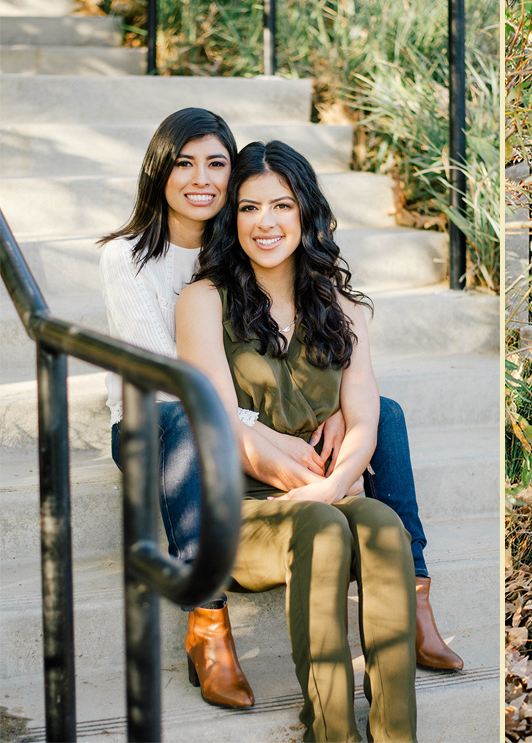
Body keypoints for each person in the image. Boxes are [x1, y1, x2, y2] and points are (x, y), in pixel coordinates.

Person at [98, 108, 460, 707]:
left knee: (384, 412)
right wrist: (272, 444)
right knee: (186, 421)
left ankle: (415, 595)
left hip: (229, 414)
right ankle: (207, 621)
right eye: (184, 164)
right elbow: (177, 381)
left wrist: (339, 409)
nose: (202, 179)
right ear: (159, 172)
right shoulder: (130, 258)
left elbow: (307, 347)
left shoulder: (235, 245)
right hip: (158, 418)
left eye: (217, 164)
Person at [176, 139, 417, 740]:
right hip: (242, 512)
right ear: (232, 220)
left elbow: (364, 420)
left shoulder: (342, 307)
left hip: (322, 494)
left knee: (383, 526)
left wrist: (336, 484)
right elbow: (225, 429)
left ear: (305, 213)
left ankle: (395, 730)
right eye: (249, 208)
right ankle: (329, 728)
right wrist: (322, 494)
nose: (266, 223)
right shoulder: (203, 302)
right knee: (322, 526)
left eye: (281, 206)